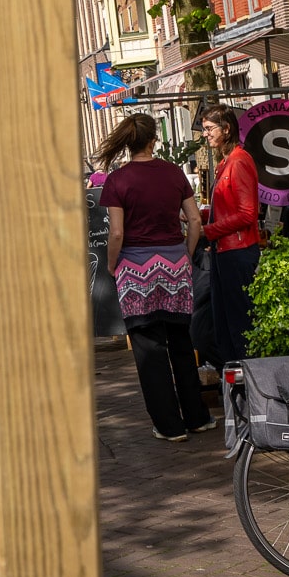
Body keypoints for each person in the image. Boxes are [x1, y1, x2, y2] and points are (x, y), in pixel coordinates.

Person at [97, 112, 212, 443]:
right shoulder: (173, 172)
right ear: (153, 140)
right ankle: (197, 417)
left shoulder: (118, 180)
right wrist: (186, 254)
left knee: (148, 346)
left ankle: (168, 424)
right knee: (180, 340)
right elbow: (194, 222)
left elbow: (116, 232)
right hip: (175, 264)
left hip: (135, 269)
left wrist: (112, 264)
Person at [200, 103, 263, 367]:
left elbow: (248, 214)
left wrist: (208, 231)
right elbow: (226, 209)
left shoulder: (239, 161)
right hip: (224, 251)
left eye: (209, 129)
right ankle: (235, 384)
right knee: (224, 324)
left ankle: (248, 383)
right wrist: (197, 218)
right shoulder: (226, 163)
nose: (206, 134)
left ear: (226, 129)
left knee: (238, 323)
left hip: (236, 253)